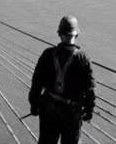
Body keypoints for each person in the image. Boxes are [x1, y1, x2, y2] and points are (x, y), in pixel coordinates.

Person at [28, 16, 95, 144]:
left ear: (59, 34)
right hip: (71, 113)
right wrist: (89, 110)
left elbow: (36, 82)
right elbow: (89, 90)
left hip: (49, 110)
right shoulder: (83, 58)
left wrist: (34, 105)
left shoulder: (48, 54)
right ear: (77, 34)